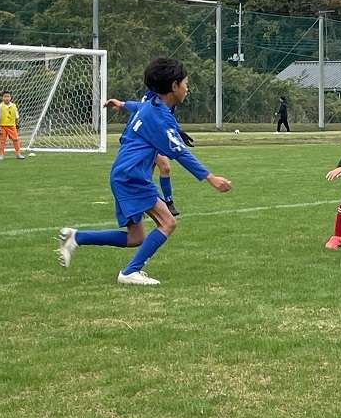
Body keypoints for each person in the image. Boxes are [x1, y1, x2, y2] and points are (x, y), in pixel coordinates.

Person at [57, 58, 231, 285]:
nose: (187, 88)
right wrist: (210, 178)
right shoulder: (159, 117)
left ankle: (76, 237)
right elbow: (180, 153)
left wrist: (122, 104)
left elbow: (138, 108)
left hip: (123, 173)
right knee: (168, 223)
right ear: (174, 86)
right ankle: (130, 272)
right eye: (185, 84)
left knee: (135, 237)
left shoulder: (152, 105)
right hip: (132, 176)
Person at [106, 90, 192, 216]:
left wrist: (178, 131)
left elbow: (166, 117)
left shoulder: (169, 98)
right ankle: (167, 203)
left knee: (147, 172)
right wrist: (122, 104)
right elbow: (143, 109)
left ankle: (146, 204)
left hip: (152, 136)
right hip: (144, 137)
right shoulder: (156, 93)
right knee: (164, 167)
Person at [0, 90, 25, 160]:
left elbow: (17, 116)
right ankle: (1, 155)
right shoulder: (0, 106)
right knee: (2, 141)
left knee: (16, 139)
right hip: (2, 126)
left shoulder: (14, 106)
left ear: (10, 97)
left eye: (8, 96)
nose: (7, 98)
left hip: (12, 126)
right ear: (2, 98)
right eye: (5, 96)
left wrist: (17, 124)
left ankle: (18, 154)